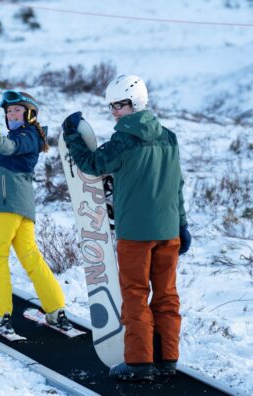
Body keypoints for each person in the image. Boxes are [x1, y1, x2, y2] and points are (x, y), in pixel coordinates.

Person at [62, 75, 188, 382]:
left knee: (134, 295)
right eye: (112, 106)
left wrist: (72, 137)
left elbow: (92, 165)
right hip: (168, 229)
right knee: (167, 296)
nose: (115, 111)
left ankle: (139, 363)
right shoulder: (169, 137)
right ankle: (167, 359)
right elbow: (178, 185)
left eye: (120, 105)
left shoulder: (123, 140)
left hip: (135, 233)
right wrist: (182, 223)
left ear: (136, 103)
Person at [0, 91, 74, 337]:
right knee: (30, 256)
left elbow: (11, 147)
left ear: (29, 114)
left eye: (16, 110)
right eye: (8, 111)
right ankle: (55, 309)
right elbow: (9, 158)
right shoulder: (23, 136)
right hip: (22, 207)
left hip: (6, 204)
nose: (11, 114)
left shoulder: (27, 135)